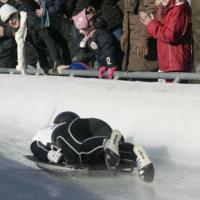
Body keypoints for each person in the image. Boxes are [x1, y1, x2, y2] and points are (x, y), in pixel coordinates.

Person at [30, 111, 155, 182]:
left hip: (74, 131)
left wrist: (47, 154)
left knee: (79, 153)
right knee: (103, 155)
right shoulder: (79, 122)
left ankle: (106, 142)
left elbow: (34, 145)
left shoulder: (54, 128)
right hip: (97, 125)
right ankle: (134, 151)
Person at [0, 3, 66, 74]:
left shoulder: (32, 19)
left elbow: (48, 39)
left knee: (63, 71)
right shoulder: (17, 30)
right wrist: (44, 64)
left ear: (17, 13)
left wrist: (58, 62)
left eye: (11, 17)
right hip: (46, 51)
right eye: (7, 21)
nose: (11, 22)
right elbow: (37, 44)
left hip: (61, 43)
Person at [139, 0, 193, 82]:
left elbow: (170, 35)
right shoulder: (163, 8)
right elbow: (162, 31)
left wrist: (150, 24)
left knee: (176, 93)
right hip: (168, 63)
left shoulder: (179, 9)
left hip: (176, 63)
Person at [72, 7, 123, 79]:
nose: (80, 32)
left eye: (83, 29)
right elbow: (98, 53)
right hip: (106, 65)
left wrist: (111, 65)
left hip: (115, 63)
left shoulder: (101, 34)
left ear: (90, 25)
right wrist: (103, 65)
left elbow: (108, 50)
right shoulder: (91, 36)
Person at [120, 0, 158, 72]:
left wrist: (144, 38)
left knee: (143, 74)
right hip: (131, 44)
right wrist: (125, 33)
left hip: (143, 43)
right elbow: (127, 12)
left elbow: (152, 12)